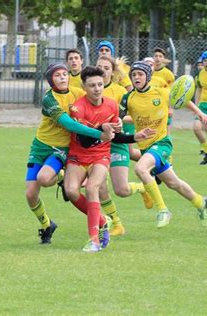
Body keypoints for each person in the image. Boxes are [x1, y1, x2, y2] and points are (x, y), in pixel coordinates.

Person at [63, 66, 154, 252]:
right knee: (71, 191)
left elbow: (113, 136)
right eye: (92, 85)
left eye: (99, 84)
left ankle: (94, 240)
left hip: (101, 156)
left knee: (92, 188)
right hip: (78, 155)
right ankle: (103, 221)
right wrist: (101, 127)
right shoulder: (77, 108)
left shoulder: (112, 105)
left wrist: (134, 137)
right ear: (84, 87)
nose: (97, 88)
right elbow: (85, 139)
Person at [25, 63, 113, 245]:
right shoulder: (49, 99)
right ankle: (47, 225)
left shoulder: (78, 93)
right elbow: (69, 124)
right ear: (51, 81)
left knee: (43, 178)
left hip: (61, 148)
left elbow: (98, 102)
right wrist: (100, 134)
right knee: (30, 194)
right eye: (57, 75)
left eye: (65, 74)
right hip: (40, 146)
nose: (63, 77)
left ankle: (62, 175)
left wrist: (113, 122)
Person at [121, 61, 207, 228]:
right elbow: (120, 117)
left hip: (162, 143)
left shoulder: (161, 92)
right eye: (133, 75)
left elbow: (183, 99)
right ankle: (200, 202)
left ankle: (163, 210)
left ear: (148, 76)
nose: (136, 77)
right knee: (173, 183)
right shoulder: (128, 98)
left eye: (140, 74)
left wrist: (199, 112)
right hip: (145, 147)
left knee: (140, 169)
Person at [96, 56, 154, 237]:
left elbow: (134, 113)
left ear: (113, 72)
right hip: (97, 144)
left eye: (106, 67)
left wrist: (119, 122)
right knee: (98, 187)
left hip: (117, 142)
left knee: (121, 190)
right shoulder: (89, 90)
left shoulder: (120, 92)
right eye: (99, 67)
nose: (102, 70)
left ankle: (142, 188)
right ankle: (117, 224)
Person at [152, 48, 175, 134]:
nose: (158, 58)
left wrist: (171, 108)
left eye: (160, 56)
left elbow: (172, 93)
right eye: (156, 56)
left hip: (164, 106)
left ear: (163, 59)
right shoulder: (149, 71)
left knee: (165, 132)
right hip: (152, 105)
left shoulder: (168, 74)